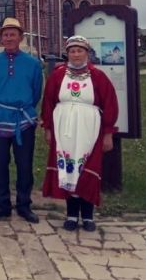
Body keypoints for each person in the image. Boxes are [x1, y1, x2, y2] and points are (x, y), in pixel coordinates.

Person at [41, 35, 118, 231]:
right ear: (67, 54)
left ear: (87, 53)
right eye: (72, 51)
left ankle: (88, 216)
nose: (76, 55)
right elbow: (48, 103)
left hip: (89, 129)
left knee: (86, 168)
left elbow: (110, 104)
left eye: (79, 51)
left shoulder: (98, 76)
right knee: (68, 169)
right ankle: (72, 214)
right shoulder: (58, 75)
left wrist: (108, 133)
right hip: (64, 127)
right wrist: (48, 128)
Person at [0, 17, 43, 223]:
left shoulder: (33, 64)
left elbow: (36, 92)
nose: (9, 38)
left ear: (20, 37)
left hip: (23, 120)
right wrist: (2, 107)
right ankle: (2, 205)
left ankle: (24, 205)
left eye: (12, 34)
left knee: (24, 164)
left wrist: (22, 108)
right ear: (1, 38)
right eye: (5, 35)